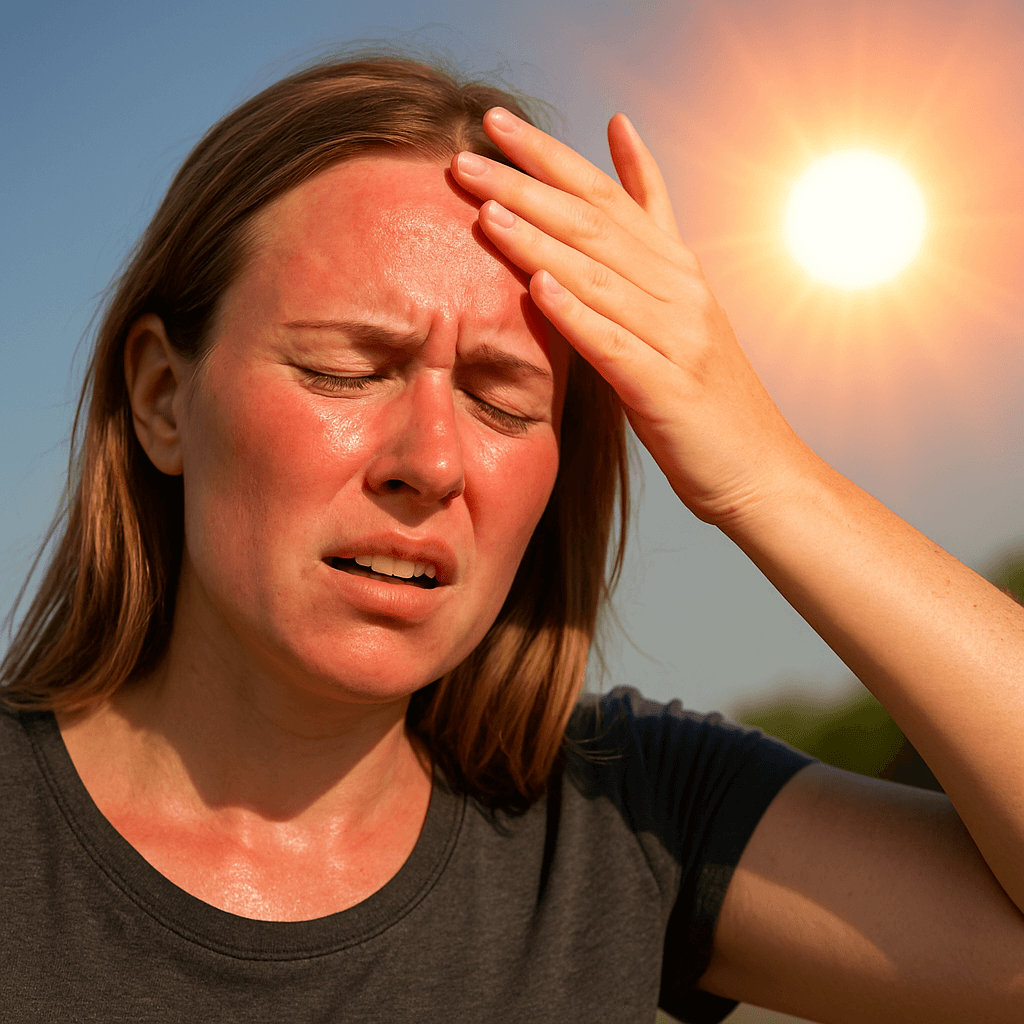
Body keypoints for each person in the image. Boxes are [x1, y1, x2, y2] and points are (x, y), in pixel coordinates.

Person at [1, 49, 1021, 1024]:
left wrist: (769, 476)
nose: (432, 460)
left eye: (500, 399)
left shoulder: (623, 817)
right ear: (161, 396)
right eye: (346, 370)